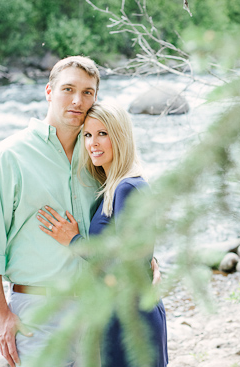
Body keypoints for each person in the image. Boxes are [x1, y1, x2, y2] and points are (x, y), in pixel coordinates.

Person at [0, 56, 160, 367]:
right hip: (38, 312)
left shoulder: (97, 157)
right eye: (68, 89)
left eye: (88, 92)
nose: (78, 100)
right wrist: (0, 314)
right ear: (49, 91)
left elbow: (121, 225)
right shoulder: (10, 156)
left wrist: (148, 261)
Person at [37, 101, 168, 367]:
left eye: (102, 134)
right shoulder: (114, 187)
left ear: (119, 136)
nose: (92, 143)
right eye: (87, 134)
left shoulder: (128, 188)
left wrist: (74, 241)